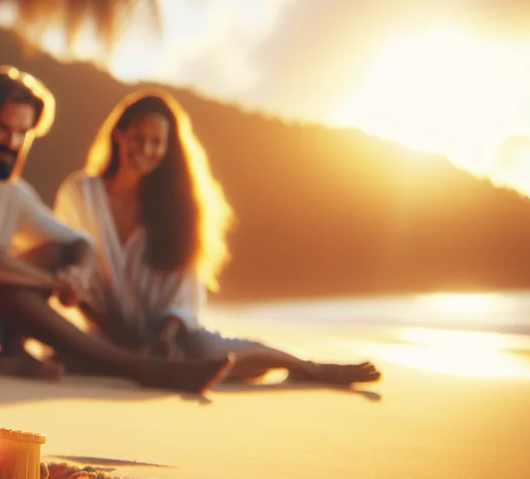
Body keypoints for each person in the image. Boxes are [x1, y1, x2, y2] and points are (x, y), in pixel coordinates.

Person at [0, 66, 235, 393]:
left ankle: (12, 353)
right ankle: (133, 365)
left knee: (56, 251)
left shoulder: (10, 192)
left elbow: (79, 242)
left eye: (22, 133)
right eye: (1, 128)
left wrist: (75, 273)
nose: (11, 144)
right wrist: (48, 283)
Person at [53, 90, 381, 385]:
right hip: (105, 334)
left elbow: (183, 298)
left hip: (170, 337)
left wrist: (163, 340)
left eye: (157, 143)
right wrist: (128, 344)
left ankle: (311, 368)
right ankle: (144, 364)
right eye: (138, 137)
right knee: (68, 355)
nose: (146, 150)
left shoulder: (178, 209)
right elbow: (73, 275)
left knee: (231, 354)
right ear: (119, 135)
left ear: (168, 149)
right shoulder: (80, 193)